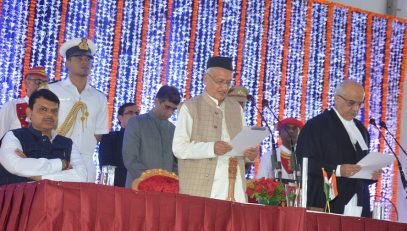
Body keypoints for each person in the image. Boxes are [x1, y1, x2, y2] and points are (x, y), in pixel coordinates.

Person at [173, 56, 258, 203]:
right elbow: (178, 148)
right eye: (220, 82)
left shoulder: (236, 108)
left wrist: (250, 154)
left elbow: (242, 146)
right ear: (206, 79)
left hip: (234, 186)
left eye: (228, 83)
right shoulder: (190, 107)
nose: (224, 87)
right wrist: (211, 148)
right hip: (201, 189)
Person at [296, 80, 381, 217]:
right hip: (328, 200)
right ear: (336, 99)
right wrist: (339, 170)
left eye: (360, 104)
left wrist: (371, 174)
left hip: (359, 201)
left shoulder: (361, 129)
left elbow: (361, 165)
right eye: (351, 103)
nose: (356, 109)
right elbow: (305, 163)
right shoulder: (317, 125)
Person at [48, 38, 108, 182]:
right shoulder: (51, 90)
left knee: (85, 204)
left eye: (88, 59)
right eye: (79, 58)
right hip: (56, 159)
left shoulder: (99, 97)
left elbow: (99, 133)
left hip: (86, 162)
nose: (84, 62)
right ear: (67, 62)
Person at [0, 89, 87, 185]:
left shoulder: (67, 143)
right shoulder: (14, 136)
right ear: (29, 112)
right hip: (20, 198)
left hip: (57, 199)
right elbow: (16, 166)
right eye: (43, 109)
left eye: (54, 111)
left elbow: (81, 176)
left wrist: (39, 176)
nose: (50, 115)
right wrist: (62, 164)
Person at [123, 85, 181, 188]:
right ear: (157, 101)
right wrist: (152, 181)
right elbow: (130, 159)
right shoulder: (136, 123)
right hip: (138, 187)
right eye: (167, 107)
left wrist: (171, 182)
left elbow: (176, 163)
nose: (170, 113)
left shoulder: (173, 130)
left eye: (173, 109)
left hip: (165, 191)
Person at [0, 66, 48, 139]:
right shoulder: (11, 106)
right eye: (38, 81)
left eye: (45, 83)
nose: (42, 86)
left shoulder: (50, 110)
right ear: (26, 83)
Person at [99, 103, 139, 187]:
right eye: (130, 112)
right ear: (120, 118)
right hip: (115, 189)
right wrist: (107, 190)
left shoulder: (142, 140)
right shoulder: (110, 137)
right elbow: (106, 165)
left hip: (137, 188)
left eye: (137, 113)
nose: (135, 116)